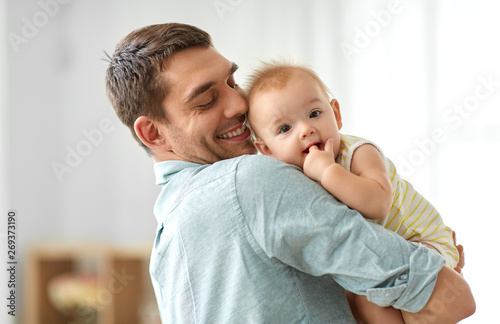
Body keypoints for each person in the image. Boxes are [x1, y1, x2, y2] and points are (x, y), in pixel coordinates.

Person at [105, 23, 475, 323]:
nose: (239, 104)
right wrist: (436, 270)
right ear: (152, 133)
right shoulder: (251, 180)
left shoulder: (166, 242)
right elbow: (454, 300)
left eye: (232, 83)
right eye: (206, 100)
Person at [245, 61, 465, 323]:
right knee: (360, 301)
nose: (306, 129)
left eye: (314, 113)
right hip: (384, 259)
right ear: (266, 150)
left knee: (373, 295)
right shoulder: (290, 179)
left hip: (423, 244)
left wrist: (328, 171)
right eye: (285, 128)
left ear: (336, 113)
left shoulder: (358, 153)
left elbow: (378, 203)